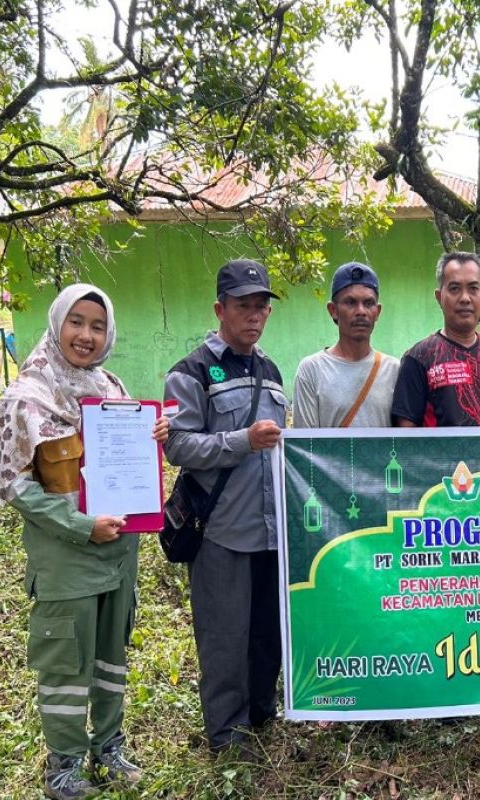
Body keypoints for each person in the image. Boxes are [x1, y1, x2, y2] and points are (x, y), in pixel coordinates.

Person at [0, 284, 168, 800]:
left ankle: (109, 747)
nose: (86, 335)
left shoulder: (111, 388)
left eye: (97, 325)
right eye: (77, 322)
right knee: (65, 664)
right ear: (56, 324)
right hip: (66, 559)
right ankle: (64, 766)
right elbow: (15, 487)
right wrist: (79, 524)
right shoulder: (25, 398)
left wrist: (150, 435)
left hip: (119, 555)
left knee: (112, 655)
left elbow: (127, 467)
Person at [162, 259, 286, 755]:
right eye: (243, 306)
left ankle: (261, 714)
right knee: (224, 638)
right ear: (220, 309)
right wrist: (241, 441)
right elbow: (178, 446)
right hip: (221, 531)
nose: (254, 316)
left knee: (265, 633)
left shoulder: (271, 370)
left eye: (261, 308)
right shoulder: (190, 372)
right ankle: (227, 735)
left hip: (269, 528)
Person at [391, 251, 480, 427]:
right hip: (441, 455)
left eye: (473, 288)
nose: (465, 298)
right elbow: (406, 435)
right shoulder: (419, 358)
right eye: (454, 289)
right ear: (439, 297)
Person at [292, 262, 399, 427]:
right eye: (350, 302)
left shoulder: (394, 370)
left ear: (377, 312)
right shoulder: (312, 370)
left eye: (369, 303)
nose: (361, 311)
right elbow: (307, 446)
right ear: (333, 310)